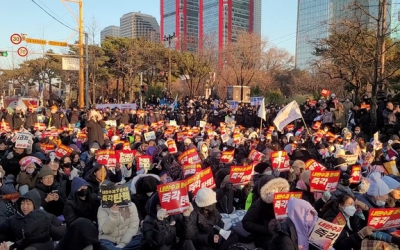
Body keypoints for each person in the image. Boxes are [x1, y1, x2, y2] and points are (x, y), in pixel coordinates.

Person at [0, 189, 66, 250]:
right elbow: (2, 235)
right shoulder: (13, 220)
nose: (25, 207)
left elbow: (61, 232)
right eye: (22, 203)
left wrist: (47, 227)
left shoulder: (46, 217)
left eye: (28, 203)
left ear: (35, 204)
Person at [243, 177, 290, 249]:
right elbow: (246, 222)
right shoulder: (259, 203)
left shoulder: (283, 200)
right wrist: (267, 230)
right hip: (265, 238)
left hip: (281, 234)